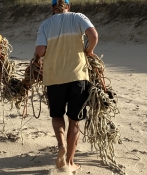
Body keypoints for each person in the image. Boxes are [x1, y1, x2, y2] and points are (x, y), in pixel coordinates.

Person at [34, 0, 98, 172]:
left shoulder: (45, 24)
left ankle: (61, 144)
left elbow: (40, 51)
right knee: (74, 121)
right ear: (68, 6)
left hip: (54, 77)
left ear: (52, 8)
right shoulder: (78, 17)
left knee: (57, 116)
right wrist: (89, 51)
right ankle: (70, 162)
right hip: (77, 76)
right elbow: (93, 35)